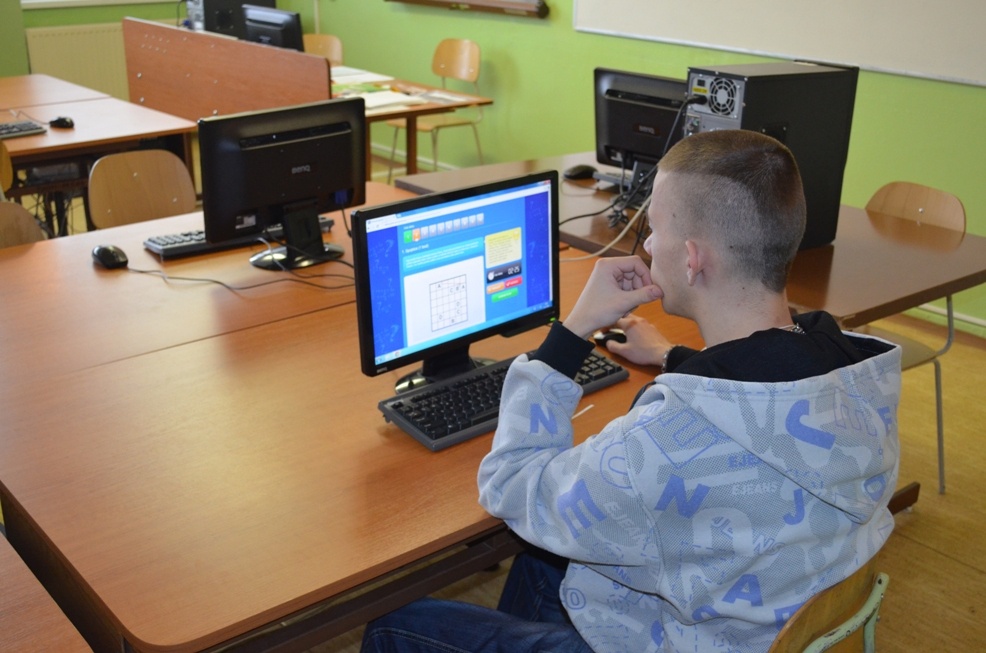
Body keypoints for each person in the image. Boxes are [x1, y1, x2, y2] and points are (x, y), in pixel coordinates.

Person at [361, 129, 901, 653]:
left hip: (689, 636)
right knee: (542, 560)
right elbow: (765, 392)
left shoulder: (660, 445)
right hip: (760, 614)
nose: (646, 243)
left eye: (654, 229)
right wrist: (673, 358)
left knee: (397, 623)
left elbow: (511, 484)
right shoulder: (859, 373)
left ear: (691, 259)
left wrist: (571, 334)